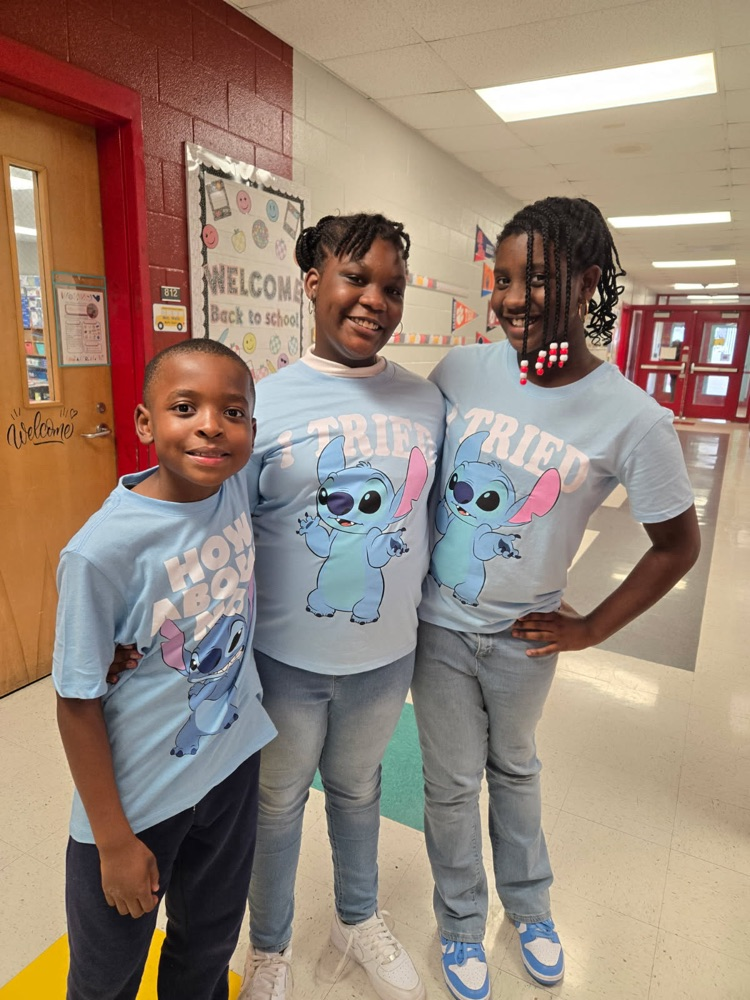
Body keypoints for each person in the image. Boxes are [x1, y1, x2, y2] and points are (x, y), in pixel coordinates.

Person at [411, 197, 701, 998]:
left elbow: (677, 544)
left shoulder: (632, 417)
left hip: (524, 637)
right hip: (438, 628)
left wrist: (593, 629)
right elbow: (415, 477)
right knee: (449, 785)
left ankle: (531, 909)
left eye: (535, 280)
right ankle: (460, 922)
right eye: (502, 279)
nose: (511, 299)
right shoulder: (462, 370)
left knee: (514, 768)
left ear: (586, 281)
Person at [239, 213, 445, 1000]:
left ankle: (356, 919)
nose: (374, 301)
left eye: (392, 287)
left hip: (383, 659)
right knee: (277, 802)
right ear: (312, 282)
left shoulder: (425, 403)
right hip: (283, 663)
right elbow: (222, 535)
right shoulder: (261, 403)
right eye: (356, 278)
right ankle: (269, 948)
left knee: (359, 791)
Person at [53, 339, 277, 1000]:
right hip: (137, 803)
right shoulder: (100, 552)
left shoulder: (231, 485)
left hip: (230, 765)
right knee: (106, 976)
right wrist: (113, 841)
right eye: (185, 408)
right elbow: (75, 701)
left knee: (207, 946)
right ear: (145, 423)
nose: (211, 426)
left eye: (232, 412)